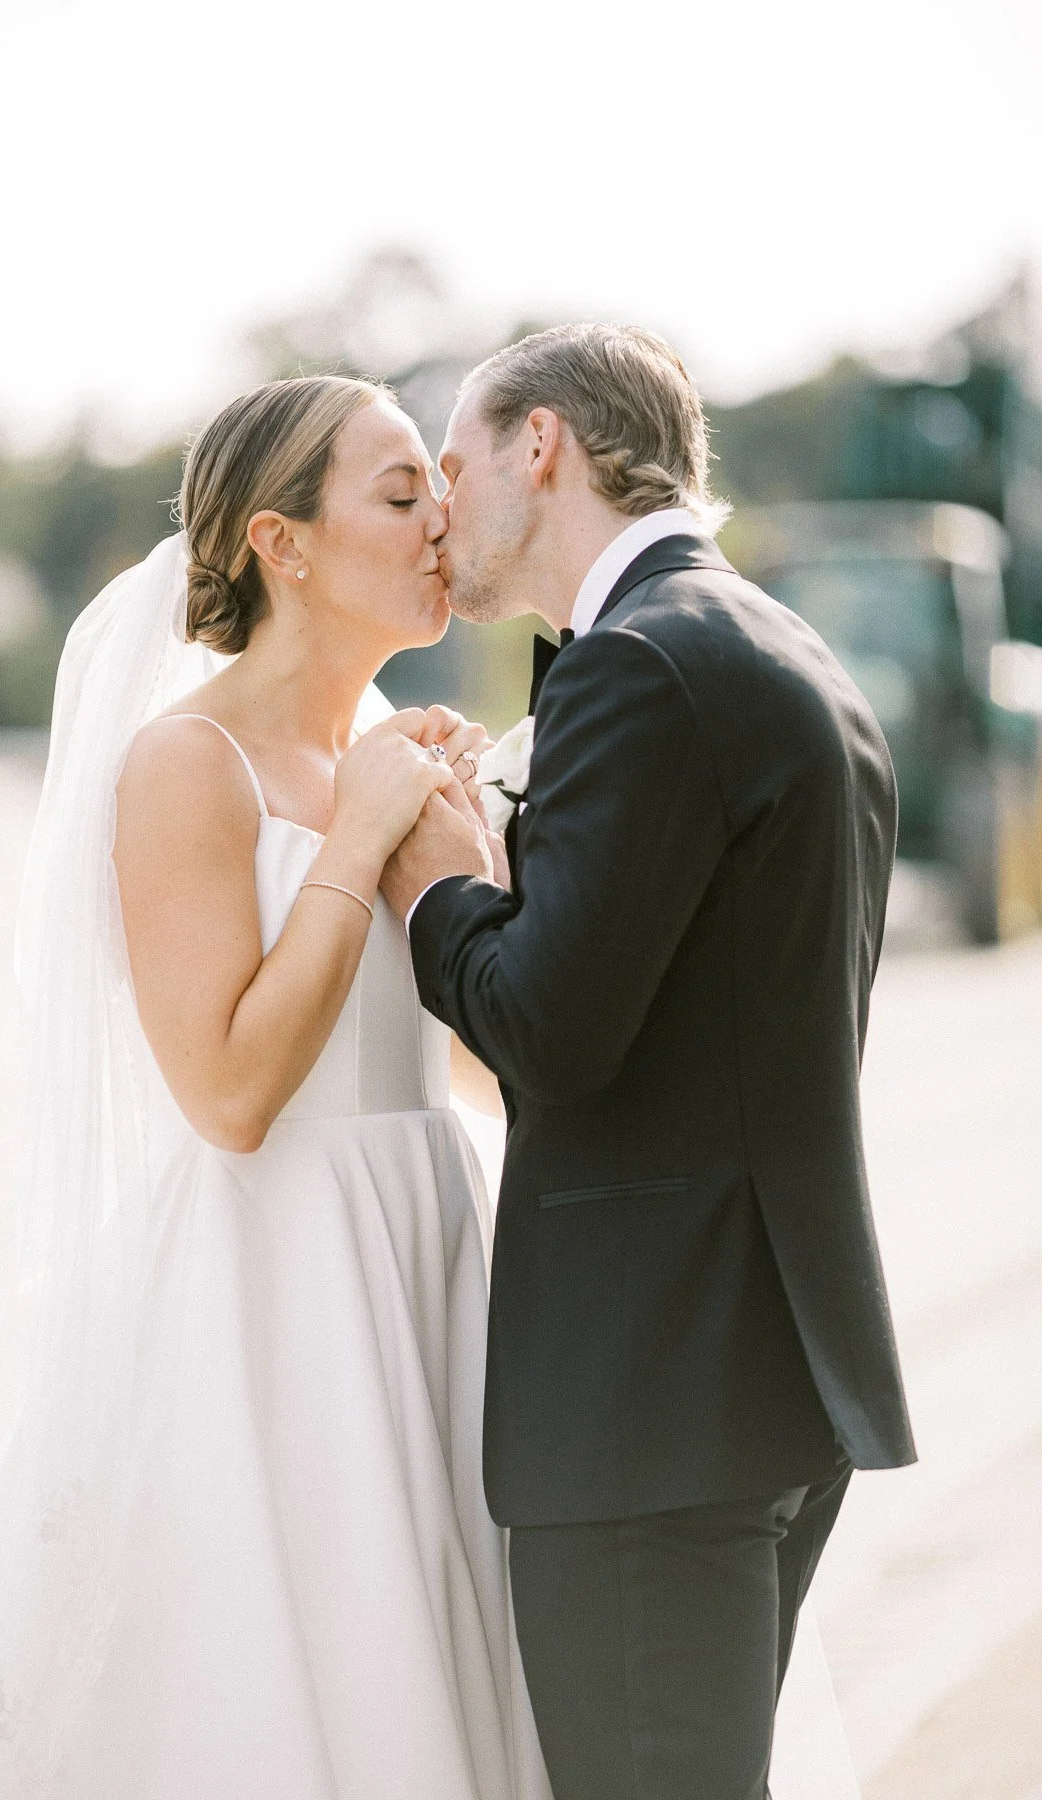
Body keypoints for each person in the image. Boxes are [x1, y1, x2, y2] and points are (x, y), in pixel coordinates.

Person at [0, 377, 551, 1800]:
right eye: (398, 494)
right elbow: (228, 1094)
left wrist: (473, 878)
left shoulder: (400, 754)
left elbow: (481, 1071)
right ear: (284, 545)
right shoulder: (185, 763)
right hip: (270, 1288)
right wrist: (356, 844)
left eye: (437, 490)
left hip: (427, 1248)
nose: (441, 522)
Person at [382, 324, 917, 1800]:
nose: (440, 505)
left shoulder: (637, 666)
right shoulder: (777, 647)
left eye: (455, 464)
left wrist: (436, 889)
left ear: (541, 445)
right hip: (757, 1367)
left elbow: (553, 1031)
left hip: (650, 1392)